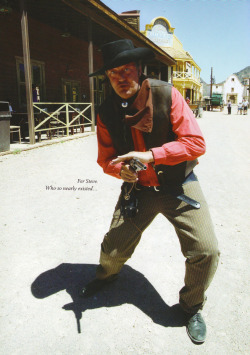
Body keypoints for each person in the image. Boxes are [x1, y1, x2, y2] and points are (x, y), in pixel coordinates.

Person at [80, 39, 220, 344]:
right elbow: (105, 159)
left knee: (206, 251)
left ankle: (191, 307)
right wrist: (121, 170)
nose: (121, 78)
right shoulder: (105, 112)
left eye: (126, 69)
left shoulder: (166, 94)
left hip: (178, 185)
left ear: (138, 68)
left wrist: (153, 155)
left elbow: (196, 144)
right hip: (137, 189)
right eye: (113, 73)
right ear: (107, 77)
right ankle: (107, 277)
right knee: (112, 250)